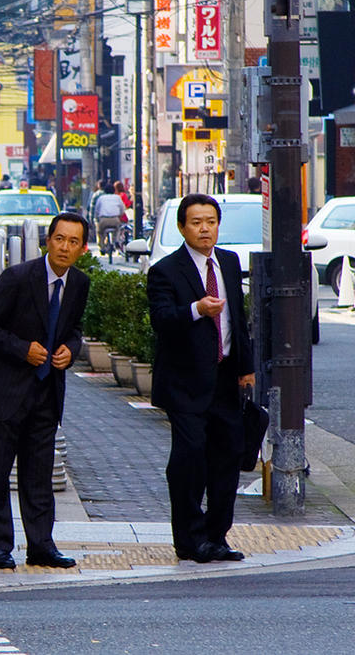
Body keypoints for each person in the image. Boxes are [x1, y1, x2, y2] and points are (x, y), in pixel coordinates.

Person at [0, 211, 91, 571]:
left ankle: (41, 546)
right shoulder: (19, 277)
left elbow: (74, 329)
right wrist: (22, 348)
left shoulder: (80, 283)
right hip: (6, 391)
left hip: (47, 392)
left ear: (82, 249)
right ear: (47, 240)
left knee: (38, 475)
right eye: (59, 239)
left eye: (73, 242)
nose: (64, 247)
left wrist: (72, 349)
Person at [146, 193, 255, 563]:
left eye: (210, 221)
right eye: (196, 222)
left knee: (228, 457)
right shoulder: (165, 270)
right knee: (190, 458)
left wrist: (246, 367)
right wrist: (196, 309)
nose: (204, 228)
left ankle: (217, 536)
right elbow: (161, 319)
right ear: (182, 227)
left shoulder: (227, 261)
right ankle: (190, 540)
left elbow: (238, 321)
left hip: (226, 378)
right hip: (185, 382)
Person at [92, 182, 126, 259]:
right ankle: (116, 241)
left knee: (100, 232)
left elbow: (96, 210)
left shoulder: (101, 198)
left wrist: (97, 219)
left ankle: (102, 247)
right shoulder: (117, 198)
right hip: (115, 219)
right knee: (117, 230)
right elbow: (122, 209)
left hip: (103, 219)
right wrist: (119, 215)